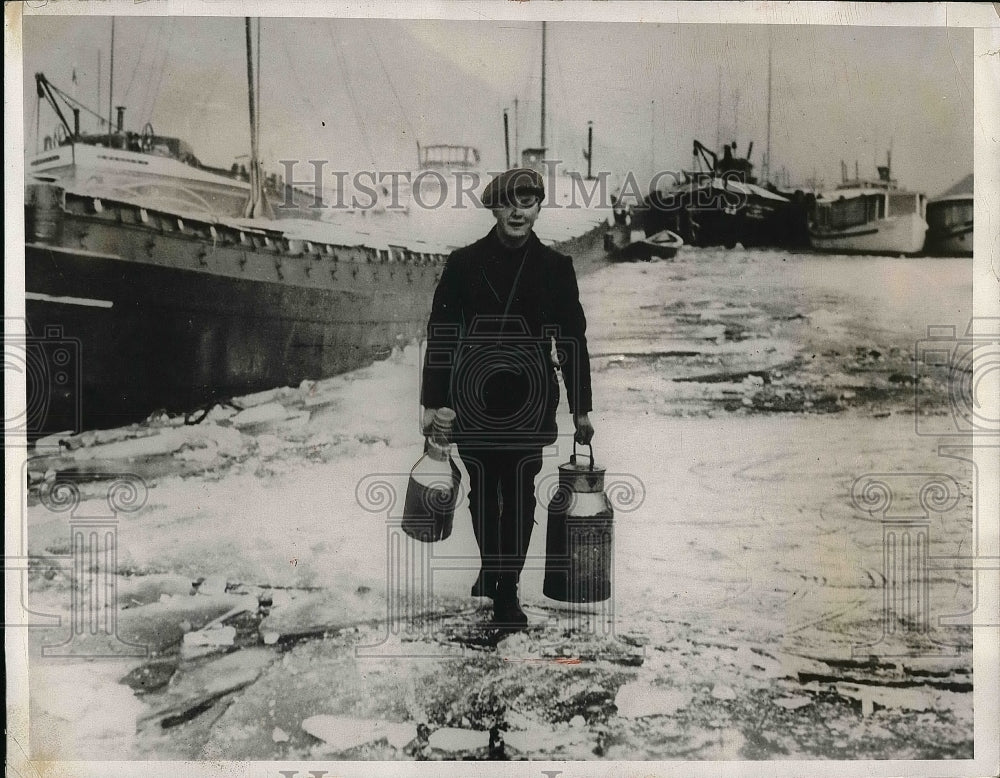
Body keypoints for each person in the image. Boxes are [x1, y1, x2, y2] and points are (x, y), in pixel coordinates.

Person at [420, 167, 595, 627]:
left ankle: (505, 588)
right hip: (472, 397)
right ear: (495, 207)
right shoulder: (462, 263)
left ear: (538, 208)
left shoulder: (556, 269)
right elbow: (441, 335)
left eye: (529, 202)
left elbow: (572, 340)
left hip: (530, 398)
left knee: (517, 493)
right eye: (510, 203)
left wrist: (582, 409)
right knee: (481, 494)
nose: (519, 212)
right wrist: (431, 401)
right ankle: (494, 570)